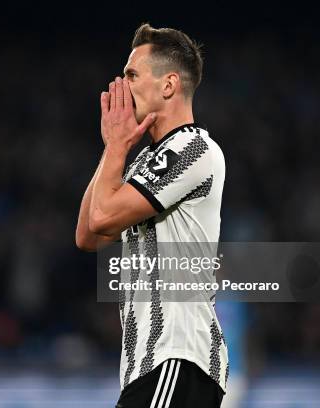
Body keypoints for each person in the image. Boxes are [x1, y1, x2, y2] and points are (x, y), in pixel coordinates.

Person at [76, 23, 227, 407]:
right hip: (151, 363)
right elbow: (88, 236)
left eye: (132, 74)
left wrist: (115, 146)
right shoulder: (149, 160)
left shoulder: (192, 148)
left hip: (175, 356)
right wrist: (116, 147)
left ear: (168, 85)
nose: (122, 86)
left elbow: (102, 219)